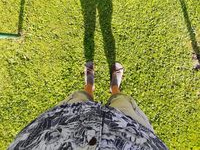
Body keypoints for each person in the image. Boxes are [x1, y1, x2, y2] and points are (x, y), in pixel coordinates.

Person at [8, 62, 168, 149]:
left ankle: (90, 86)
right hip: (131, 130)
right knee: (122, 101)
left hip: (62, 123)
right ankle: (114, 88)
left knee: (80, 97)